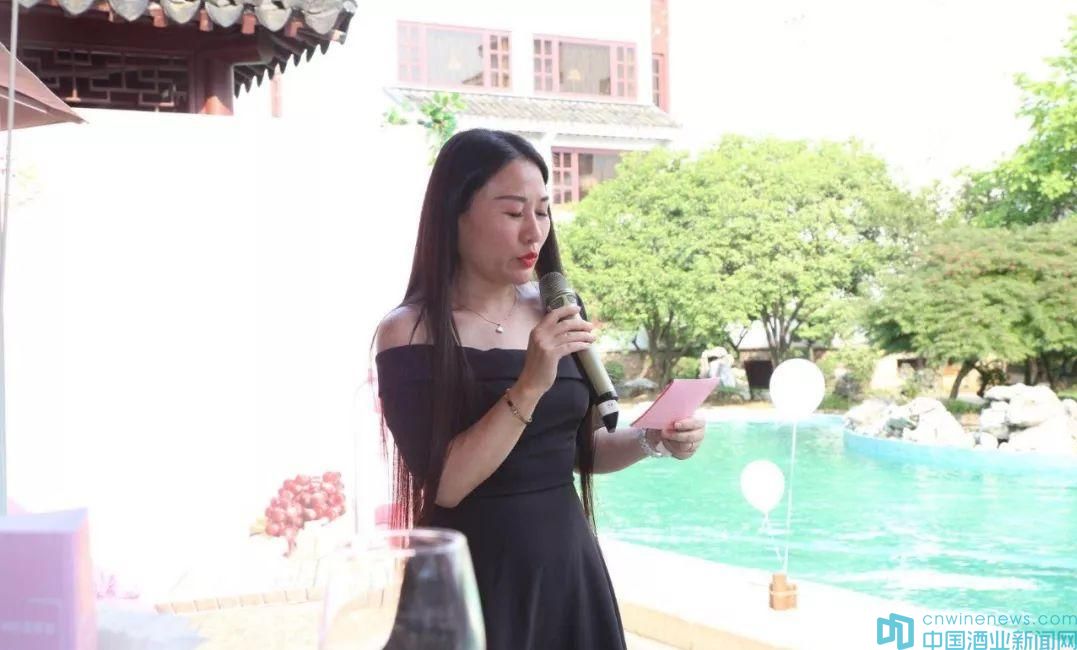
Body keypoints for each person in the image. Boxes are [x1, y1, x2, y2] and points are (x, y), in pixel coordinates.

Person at [373, 129, 706, 650]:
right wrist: (529, 384)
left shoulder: (558, 309)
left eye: (544, 211)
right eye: (513, 212)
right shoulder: (409, 332)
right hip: (473, 577)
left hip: (568, 569)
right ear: (455, 214)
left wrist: (653, 439)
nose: (535, 232)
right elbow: (446, 485)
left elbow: (582, 449)